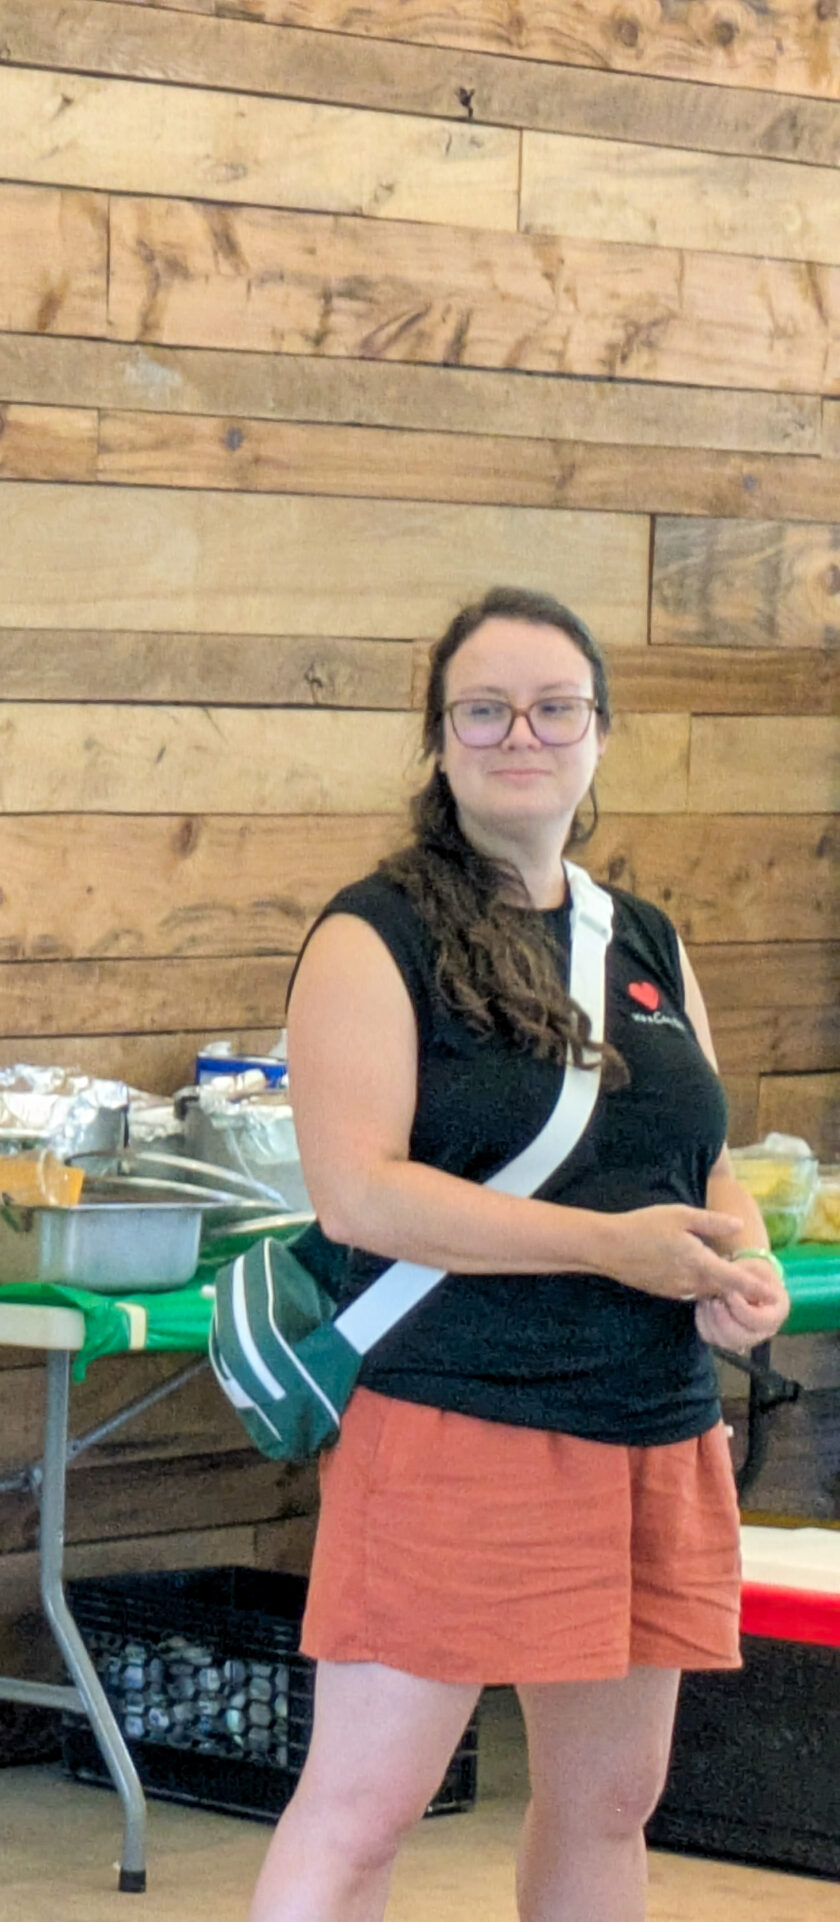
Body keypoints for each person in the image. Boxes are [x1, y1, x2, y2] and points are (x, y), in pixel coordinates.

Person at [250, 586, 789, 1922]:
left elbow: (701, 1158)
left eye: (554, 707)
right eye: (484, 710)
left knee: (609, 1802)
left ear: (600, 731)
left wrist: (742, 1267)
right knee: (367, 1808)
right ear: (440, 740)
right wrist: (610, 1248)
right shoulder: (373, 933)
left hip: (652, 1422)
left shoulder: (644, 936)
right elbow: (360, 1196)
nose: (521, 735)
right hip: (459, 1417)